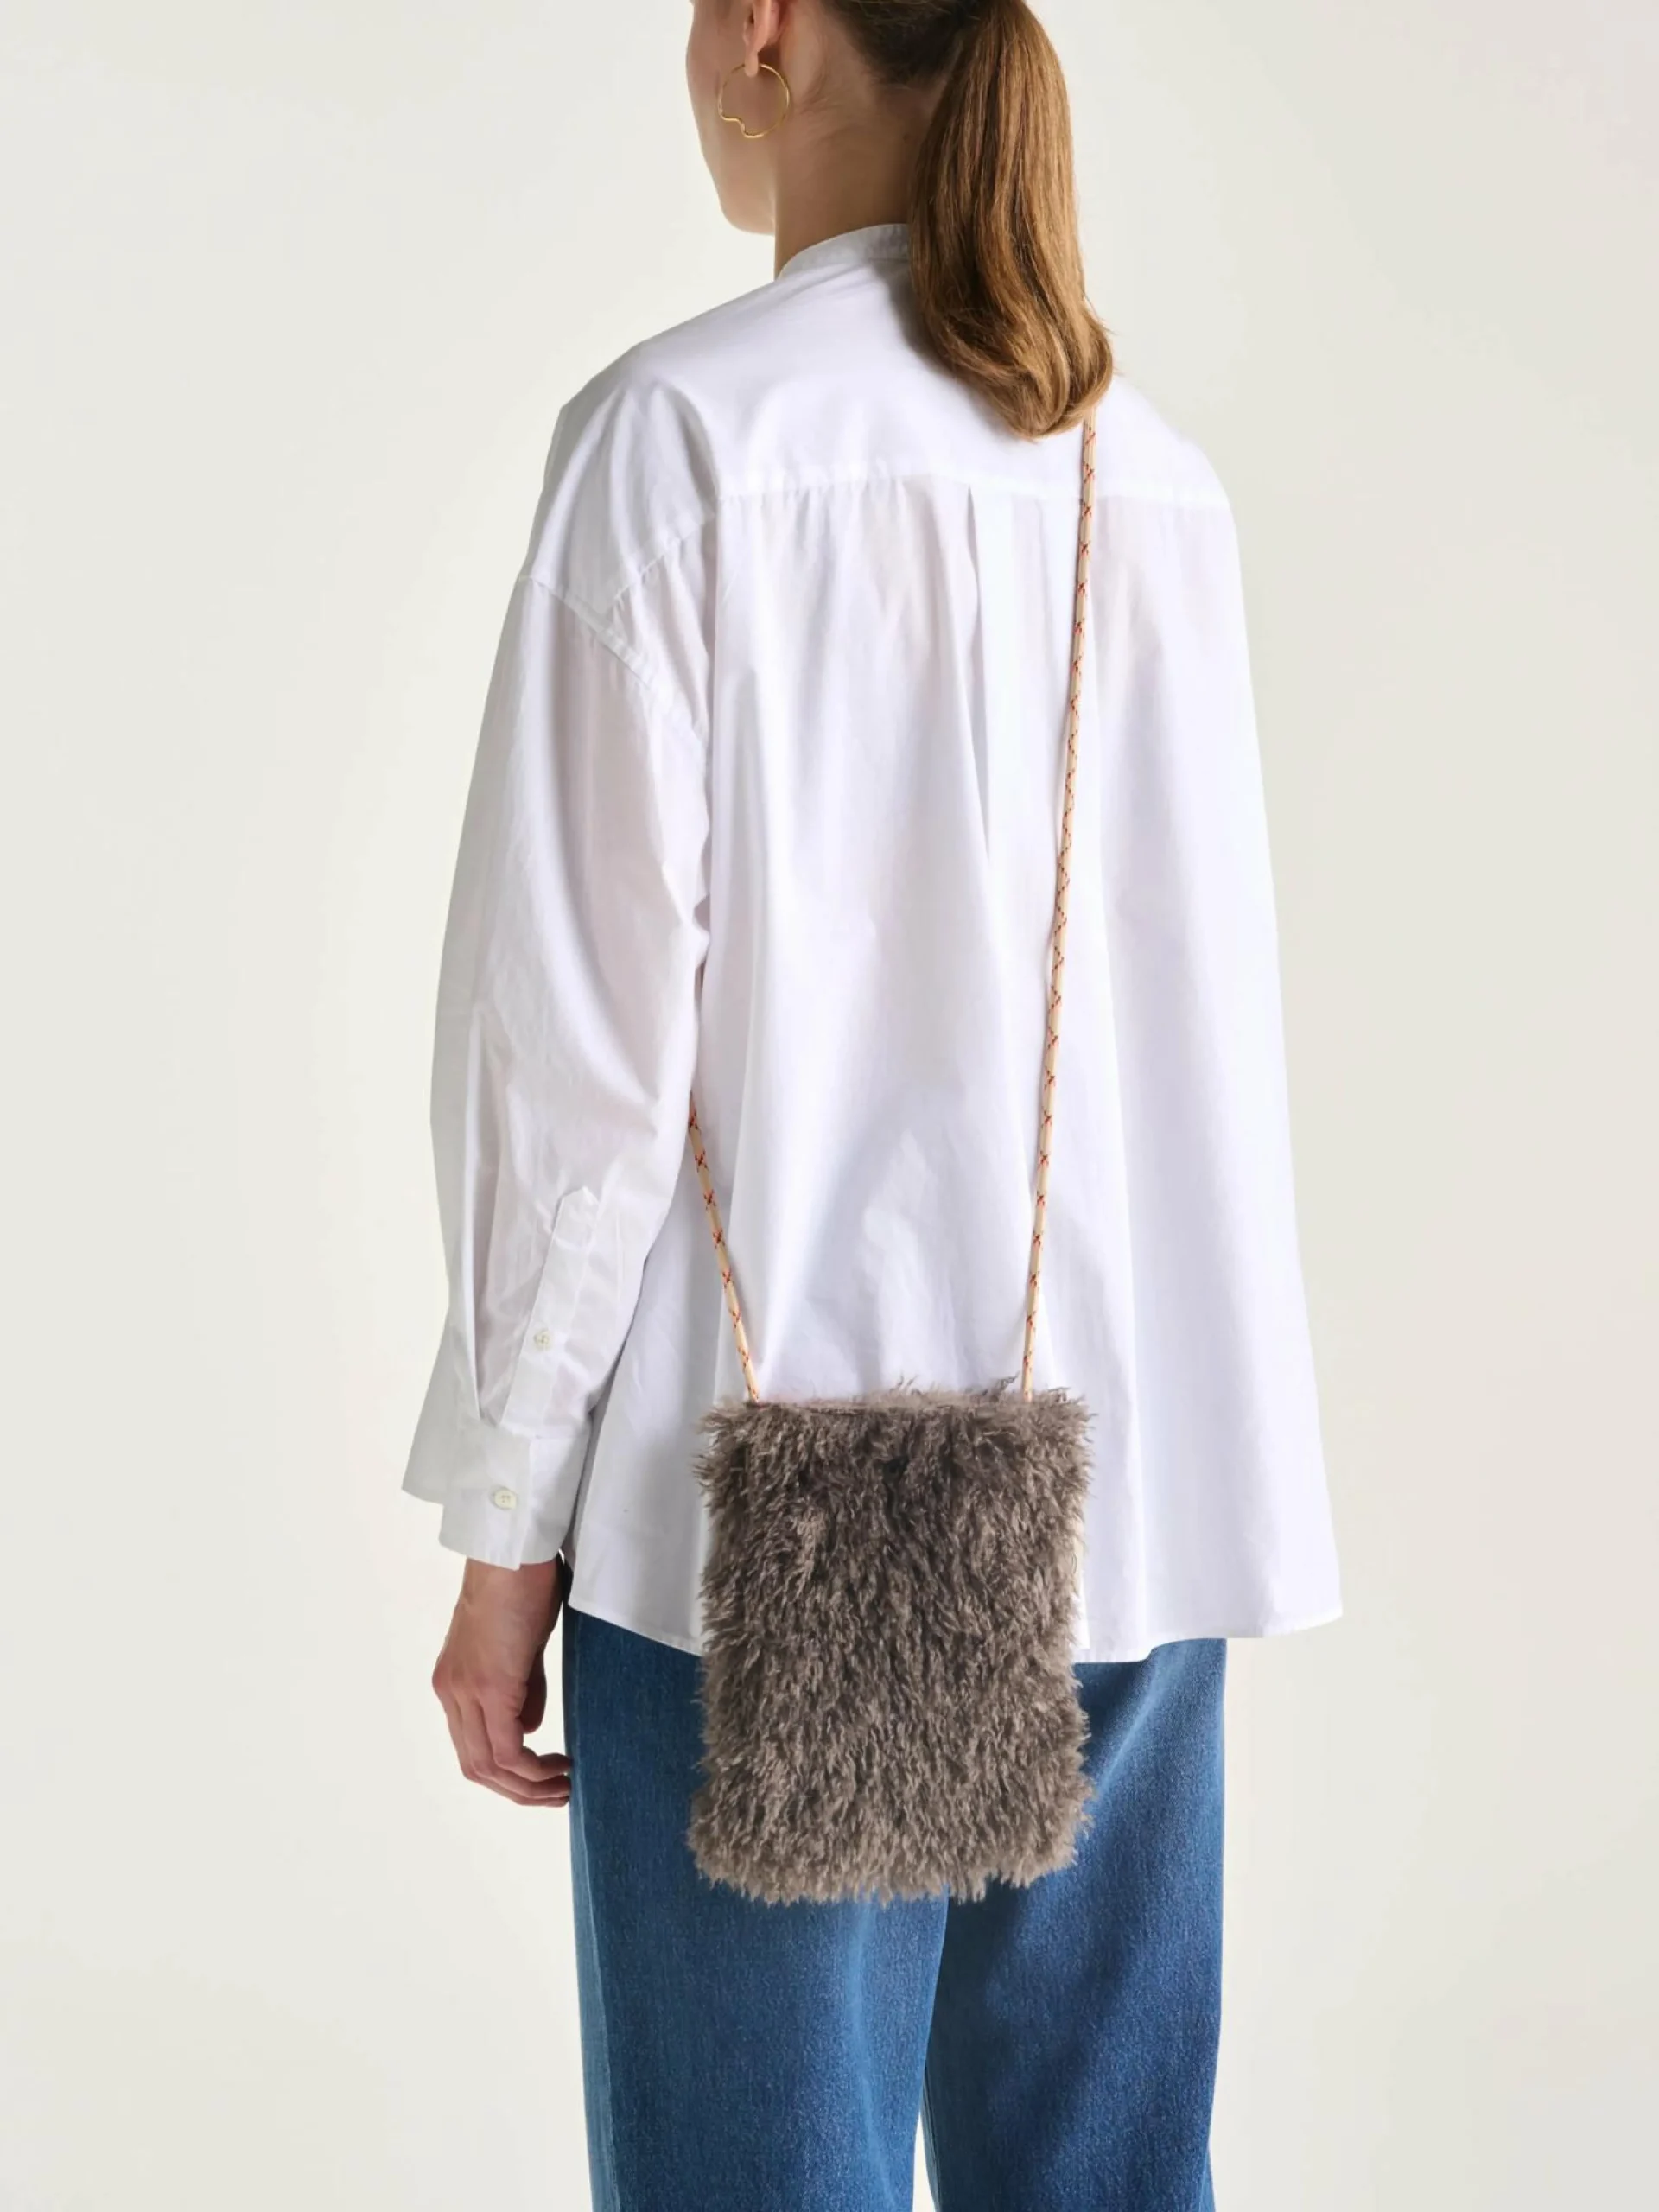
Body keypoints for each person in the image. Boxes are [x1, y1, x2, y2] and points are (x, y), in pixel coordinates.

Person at [403, 1, 1342, 2204]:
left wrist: (506, 1520)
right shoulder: (1150, 476)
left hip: (757, 1522)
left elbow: (580, 1051)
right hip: (1131, 1498)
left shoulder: (678, 441)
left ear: (768, 34)